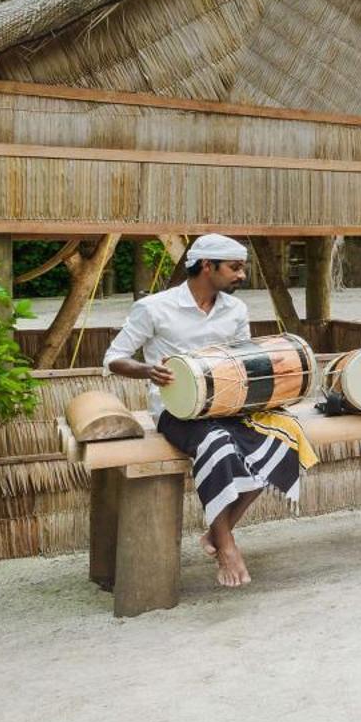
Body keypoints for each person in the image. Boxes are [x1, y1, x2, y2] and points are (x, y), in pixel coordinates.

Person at [103, 233, 308, 590]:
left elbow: (245, 360)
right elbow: (113, 359)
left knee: (280, 442)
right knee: (220, 446)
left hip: (229, 405)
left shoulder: (235, 310)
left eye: (242, 267)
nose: (242, 275)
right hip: (176, 411)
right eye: (235, 267)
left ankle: (218, 530)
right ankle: (226, 545)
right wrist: (147, 370)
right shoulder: (154, 307)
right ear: (207, 266)